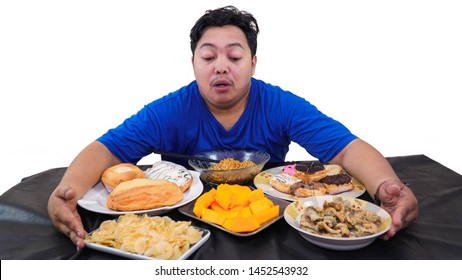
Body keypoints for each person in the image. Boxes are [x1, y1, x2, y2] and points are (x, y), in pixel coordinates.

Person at [47, 5, 418, 250]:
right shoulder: (169, 110)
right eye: (208, 56)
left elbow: (346, 149)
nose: (221, 66)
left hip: (269, 231)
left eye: (235, 56)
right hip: (184, 238)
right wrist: (67, 190)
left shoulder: (279, 104)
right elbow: (107, 149)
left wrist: (387, 186)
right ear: (193, 62)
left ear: (253, 63)